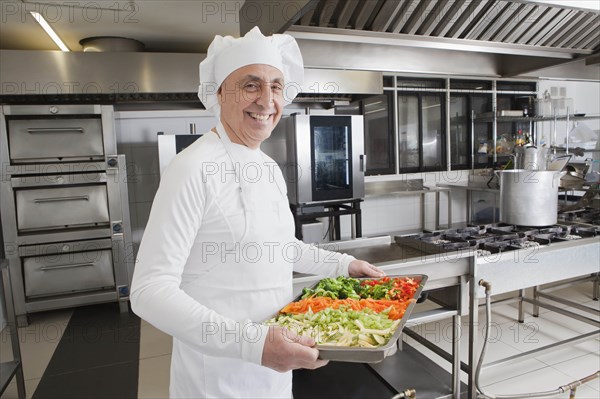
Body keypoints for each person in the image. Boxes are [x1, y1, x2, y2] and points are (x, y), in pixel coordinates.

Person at [130, 26, 385, 399]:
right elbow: (149, 291)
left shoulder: (266, 167)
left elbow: (281, 246)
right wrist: (254, 345)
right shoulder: (191, 168)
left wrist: (343, 265)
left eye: (277, 86)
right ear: (220, 93)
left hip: (275, 375)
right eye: (251, 85)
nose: (267, 100)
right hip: (215, 382)